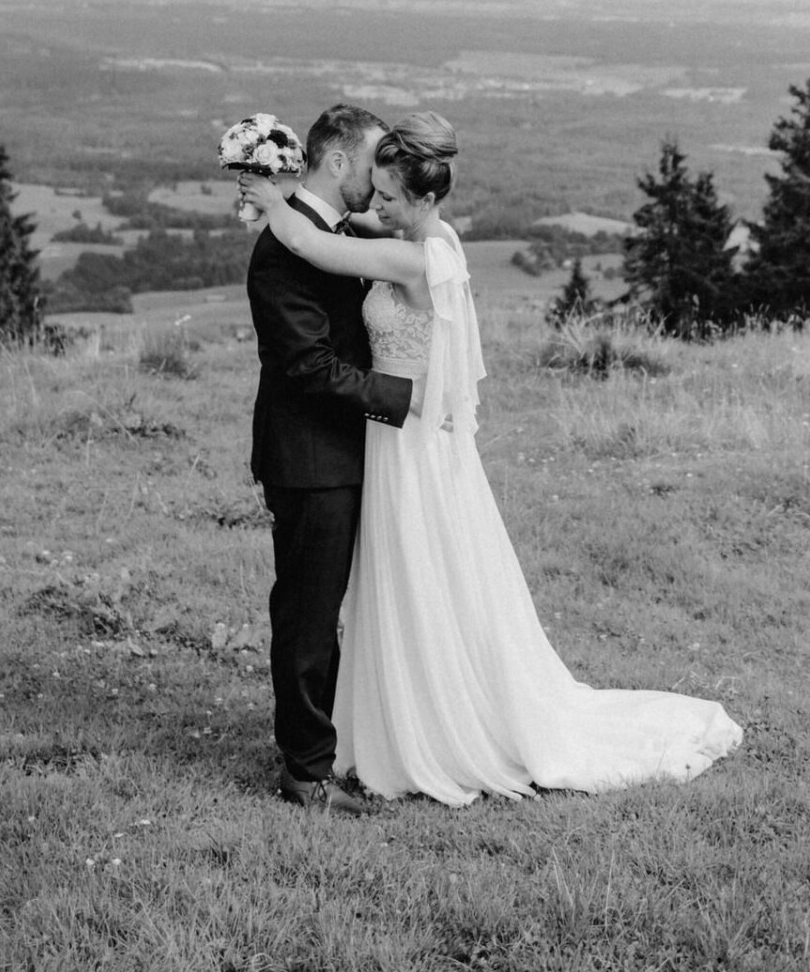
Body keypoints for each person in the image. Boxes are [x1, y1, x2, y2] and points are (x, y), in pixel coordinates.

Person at [241, 113, 742, 807]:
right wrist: (286, 206)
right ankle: (325, 753)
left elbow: (316, 245)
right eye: (371, 184)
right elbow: (312, 329)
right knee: (339, 602)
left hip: (398, 441)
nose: (376, 203)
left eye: (387, 194)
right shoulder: (402, 236)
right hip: (350, 446)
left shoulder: (411, 251)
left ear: (416, 196)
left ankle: (408, 731)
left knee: (410, 586)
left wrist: (274, 203)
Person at [245, 104, 414, 817]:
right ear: (337, 160)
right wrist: (401, 398)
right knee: (309, 615)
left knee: (330, 611)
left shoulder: (328, 231)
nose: (376, 177)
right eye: (370, 160)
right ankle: (306, 772)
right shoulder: (284, 249)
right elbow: (310, 366)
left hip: (344, 452)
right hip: (311, 459)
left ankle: (334, 749)